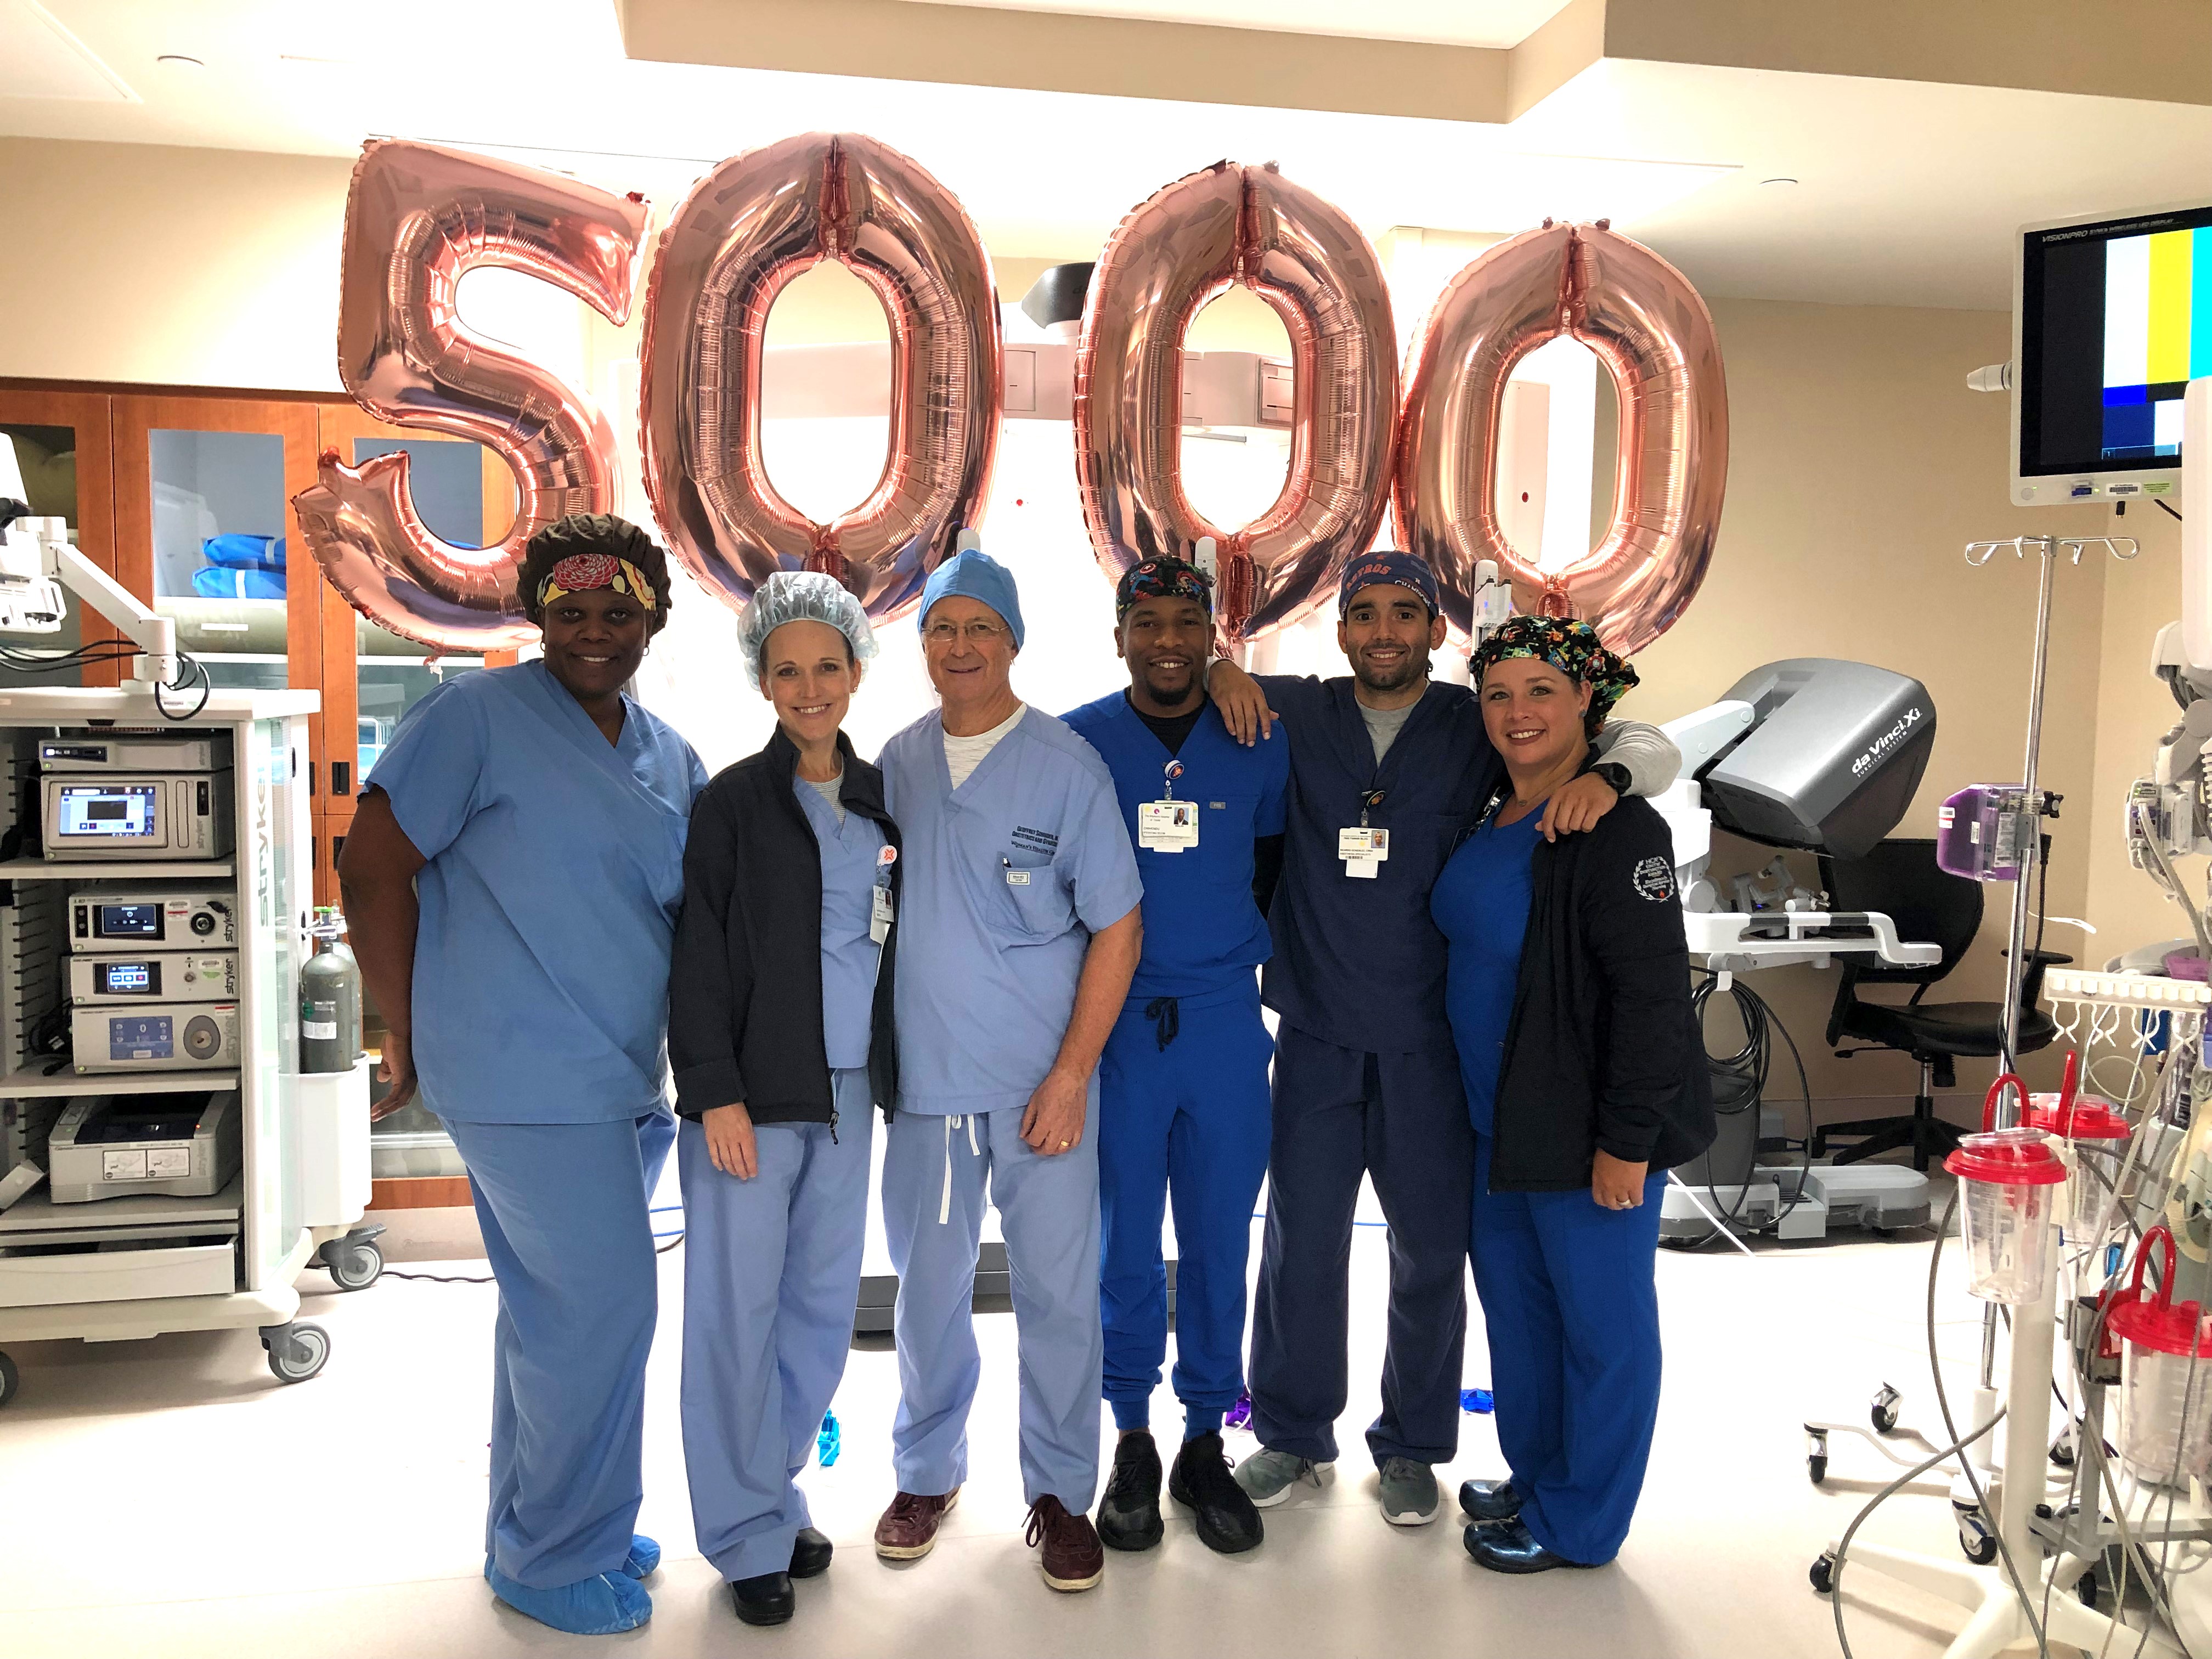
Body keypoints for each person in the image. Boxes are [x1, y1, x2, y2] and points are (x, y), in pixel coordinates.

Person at [1205, 551, 1681, 1530]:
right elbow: (1219, 687)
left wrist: (1619, 772)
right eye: (1365, 613)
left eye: (1406, 613)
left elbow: (1639, 736)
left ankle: (1415, 1443)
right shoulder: (1300, 710)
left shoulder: (1481, 724)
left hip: (1432, 1045)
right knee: (1300, 1242)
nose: (1384, 631)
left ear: (1435, 631)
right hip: (1319, 1032)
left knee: (1432, 1249)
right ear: (1340, 631)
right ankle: (1293, 1431)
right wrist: (1220, 666)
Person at [340, 514, 707, 1637]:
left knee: (550, 1320)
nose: (593, 632)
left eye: (618, 613)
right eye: (569, 612)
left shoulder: (669, 751)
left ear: (653, 621)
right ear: (536, 615)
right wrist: (398, 1027)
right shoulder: (477, 718)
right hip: (518, 1070)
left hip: (616, 1080)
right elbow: (374, 861)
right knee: (602, 1314)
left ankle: (540, 1522)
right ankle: (556, 1556)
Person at [871, 545, 1145, 1594]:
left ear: (1014, 642)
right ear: (924, 646)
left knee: (1059, 1297)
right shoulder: (894, 763)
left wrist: (1074, 1074)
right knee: (928, 1294)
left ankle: (1061, 1494)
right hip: (932, 1090)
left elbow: (1118, 926)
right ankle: (927, 1474)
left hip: (1044, 1093)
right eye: (943, 629)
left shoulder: (1066, 765)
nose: (961, 647)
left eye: (981, 628)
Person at [1431, 616, 1716, 1573]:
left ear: (1586, 701)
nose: (1518, 712)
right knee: (1521, 1321)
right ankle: (1542, 1479)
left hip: (1586, 1131)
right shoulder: (1491, 808)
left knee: (1602, 1333)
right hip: (1496, 1126)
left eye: (1541, 691)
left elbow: (1651, 1002)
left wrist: (1626, 1142)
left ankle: (1584, 1523)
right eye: (1500, 693)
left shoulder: (1613, 825)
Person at [667, 572, 899, 1628]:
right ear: (764, 682)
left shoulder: (878, 799)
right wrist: (711, 1092)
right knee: (734, 1317)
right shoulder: (731, 803)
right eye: (788, 670)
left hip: (847, 1097)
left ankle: (774, 1491)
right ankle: (743, 1533)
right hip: (751, 1106)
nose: (810, 687)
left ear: (856, 672)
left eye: (827, 666)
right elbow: (698, 962)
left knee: (815, 1316)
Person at [1062, 556, 1289, 1558]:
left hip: (1226, 1027)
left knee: (1218, 1237)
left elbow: (1275, 870)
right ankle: (1133, 1437)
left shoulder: (1256, 738)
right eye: (1144, 623)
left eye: (1184, 623)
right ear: (1119, 638)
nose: (1165, 640)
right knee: (1120, 1242)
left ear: (1212, 637)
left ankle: (1206, 1435)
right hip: (1118, 1028)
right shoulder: (1079, 743)